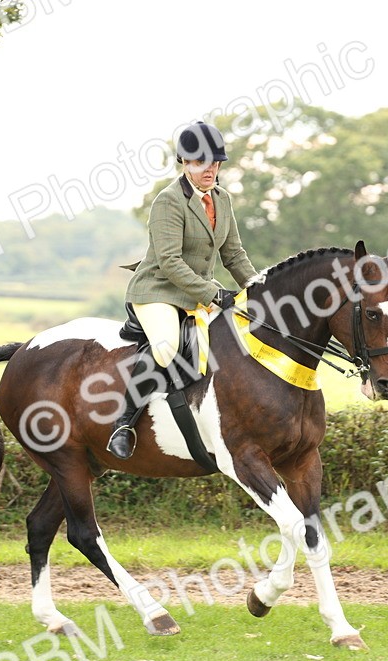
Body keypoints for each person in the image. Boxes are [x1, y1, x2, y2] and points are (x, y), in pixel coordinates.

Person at [107, 120, 259, 459]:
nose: (211, 169)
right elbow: (171, 261)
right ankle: (123, 424)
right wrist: (213, 294)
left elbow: (233, 253)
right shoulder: (168, 202)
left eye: (216, 162)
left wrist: (255, 286)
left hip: (199, 291)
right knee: (167, 348)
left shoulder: (222, 199)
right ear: (186, 163)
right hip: (159, 290)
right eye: (202, 163)